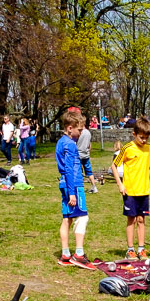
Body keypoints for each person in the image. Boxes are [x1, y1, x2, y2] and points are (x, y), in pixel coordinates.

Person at [111, 116, 150, 260]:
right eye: (141, 137)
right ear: (134, 134)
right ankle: (130, 249)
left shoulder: (149, 149)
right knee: (131, 219)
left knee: (141, 220)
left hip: (143, 190)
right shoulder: (127, 148)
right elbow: (114, 165)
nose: (144, 140)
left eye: (146, 137)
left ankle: (141, 249)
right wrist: (120, 184)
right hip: (130, 191)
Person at [56, 111, 93, 268]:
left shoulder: (60, 142)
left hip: (64, 183)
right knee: (82, 218)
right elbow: (69, 169)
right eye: (80, 129)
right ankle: (78, 254)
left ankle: (65, 255)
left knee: (67, 219)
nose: (82, 132)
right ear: (70, 128)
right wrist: (72, 192)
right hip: (74, 185)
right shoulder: (70, 145)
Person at [77, 119, 98, 193]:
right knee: (89, 172)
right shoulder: (88, 133)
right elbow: (89, 145)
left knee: (78, 172)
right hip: (86, 155)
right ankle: (94, 187)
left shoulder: (79, 133)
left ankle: (79, 188)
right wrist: (89, 152)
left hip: (78, 155)